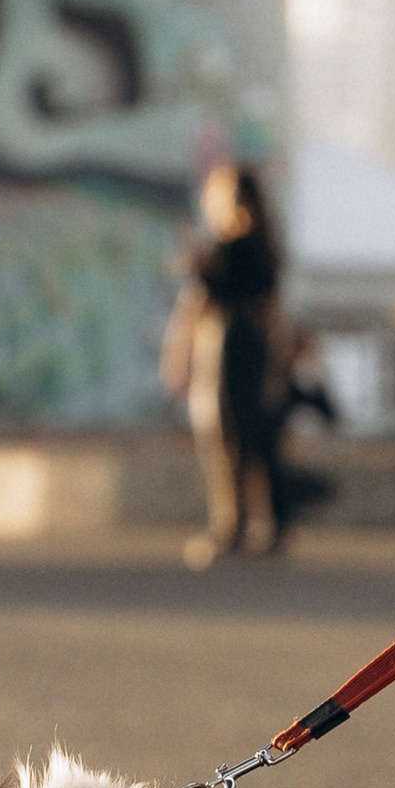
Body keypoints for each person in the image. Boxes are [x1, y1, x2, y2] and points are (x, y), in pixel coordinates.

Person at [164, 162, 294, 566]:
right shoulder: (264, 247)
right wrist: (279, 359)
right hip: (249, 345)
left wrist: (177, 350)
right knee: (252, 439)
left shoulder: (225, 249)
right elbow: (273, 311)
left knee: (226, 438)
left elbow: (197, 304)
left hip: (225, 345)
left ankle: (232, 525)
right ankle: (260, 525)